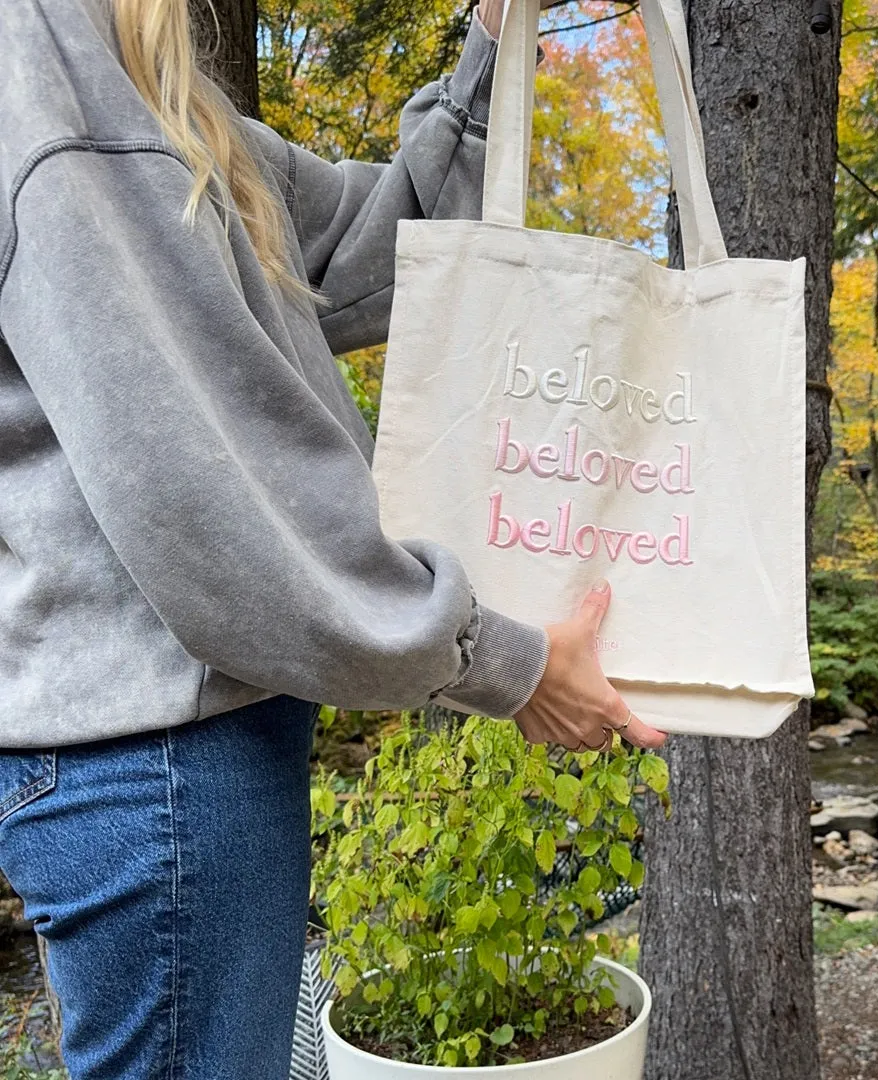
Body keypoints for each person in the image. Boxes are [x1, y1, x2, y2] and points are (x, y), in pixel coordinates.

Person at [0, 0, 666, 1076]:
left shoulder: (148, 89)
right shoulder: (47, 57)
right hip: (158, 762)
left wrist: (495, 44)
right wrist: (503, 662)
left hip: (165, 755)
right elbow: (206, 491)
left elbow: (380, 244)